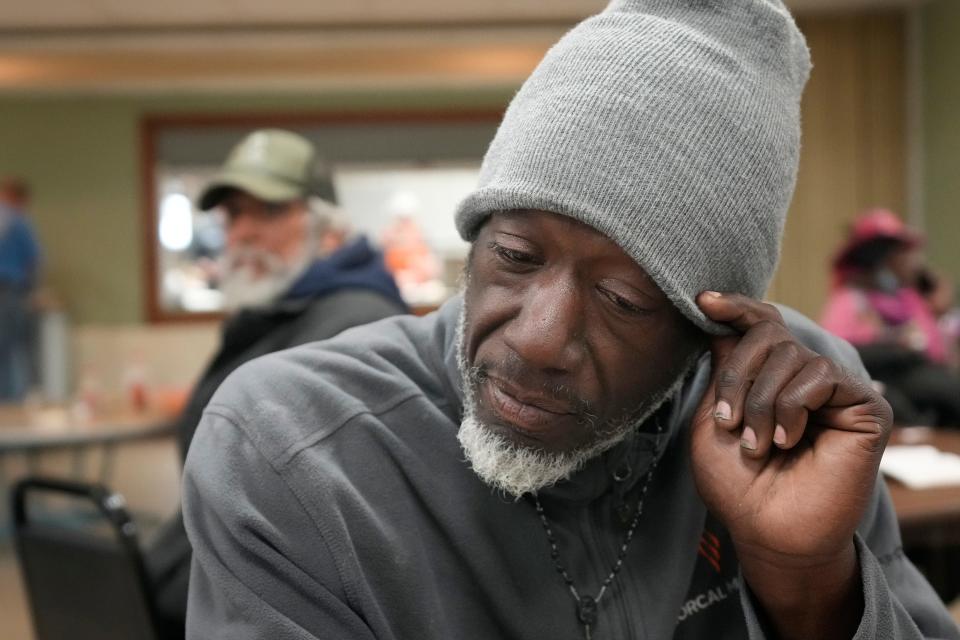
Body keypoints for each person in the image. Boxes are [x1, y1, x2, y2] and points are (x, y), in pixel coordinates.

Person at [183, 2, 960, 639]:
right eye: (516, 256)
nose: (538, 337)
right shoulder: (299, 447)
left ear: (711, 332)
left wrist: (809, 585)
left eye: (624, 300)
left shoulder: (794, 413)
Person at [145, 129, 407, 638]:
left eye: (266, 212)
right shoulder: (279, 313)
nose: (241, 232)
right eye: (232, 215)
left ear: (328, 231)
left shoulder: (353, 324)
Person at [821, 209, 960, 427]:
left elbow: (936, 352)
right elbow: (834, 352)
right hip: (884, 386)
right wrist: (894, 343)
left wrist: (940, 314)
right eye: (896, 253)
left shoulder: (909, 299)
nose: (907, 260)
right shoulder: (851, 300)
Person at [0, 178, 41, 401]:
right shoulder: (17, 221)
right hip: (10, 293)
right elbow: (34, 259)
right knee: (15, 352)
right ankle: (13, 406)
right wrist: (31, 291)